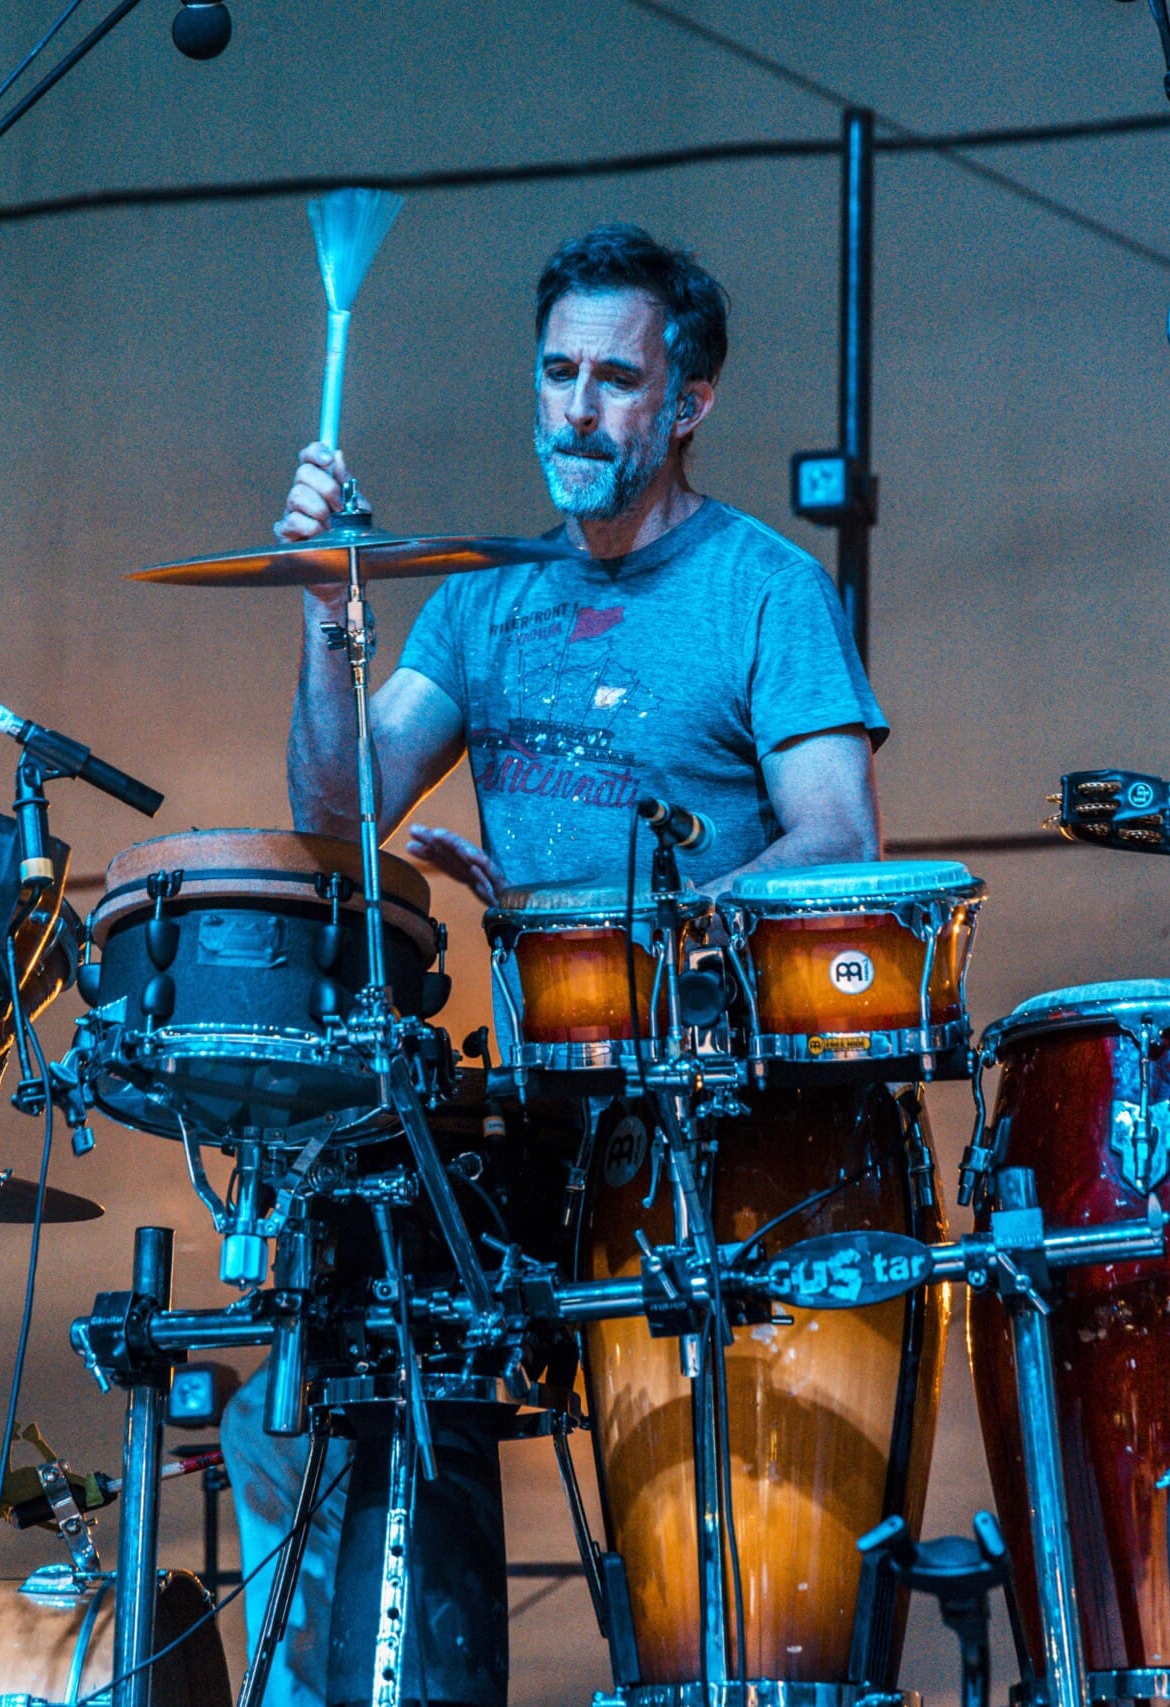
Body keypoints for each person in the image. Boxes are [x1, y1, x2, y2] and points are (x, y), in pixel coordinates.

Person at [224, 222, 889, 1707]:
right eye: (557, 374)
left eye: (615, 381)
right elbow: (335, 813)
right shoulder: (482, 602)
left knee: (706, 1513)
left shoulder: (763, 588)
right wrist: (330, 613)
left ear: (689, 402)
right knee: (345, 1353)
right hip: (538, 1117)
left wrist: (625, 920)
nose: (576, 411)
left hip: (714, 1117)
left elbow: (838, 838)